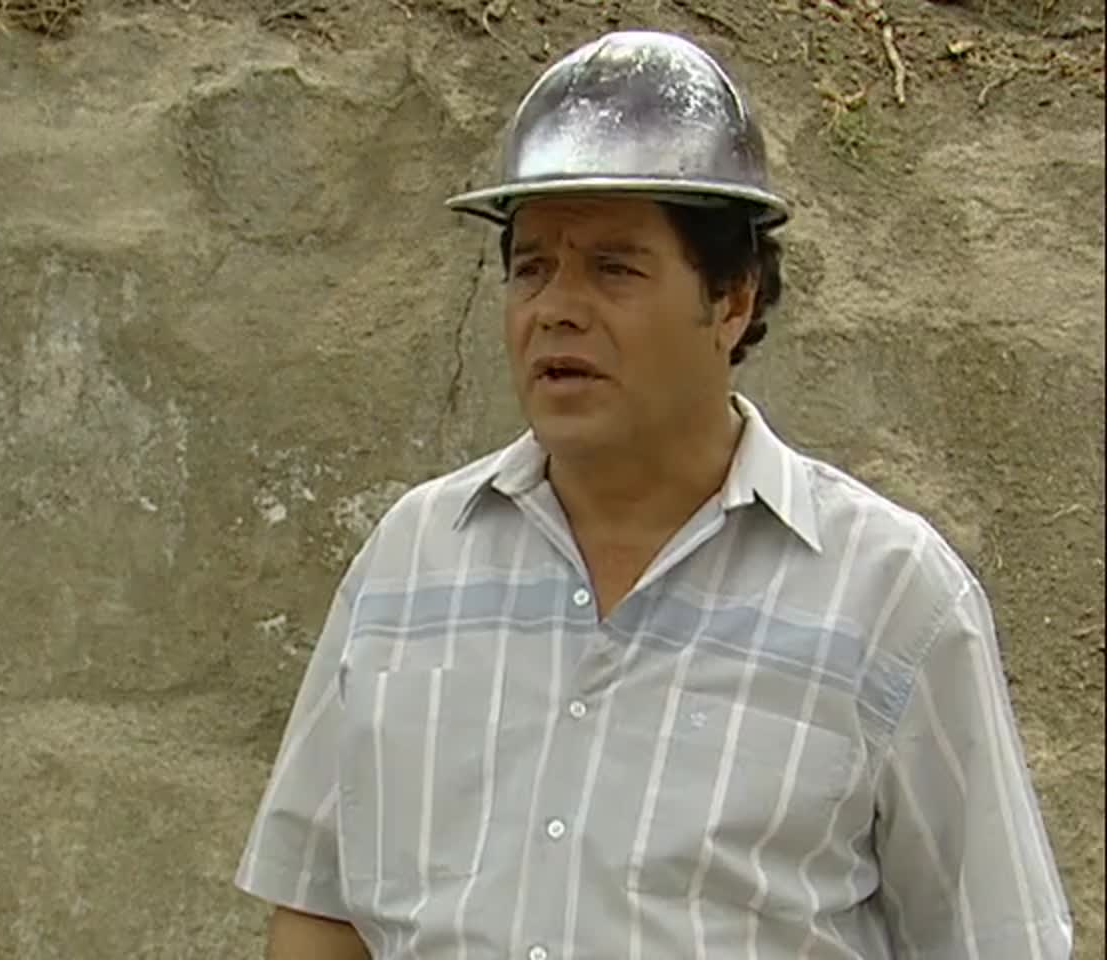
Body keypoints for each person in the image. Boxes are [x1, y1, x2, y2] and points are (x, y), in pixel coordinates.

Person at [234, 30, 1073, 959]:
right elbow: (320, 908)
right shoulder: (411, 562)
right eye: (531, 267)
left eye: (615, 268)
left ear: (732, 299)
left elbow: (996, 938)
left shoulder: (889, 597)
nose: (557, 307)